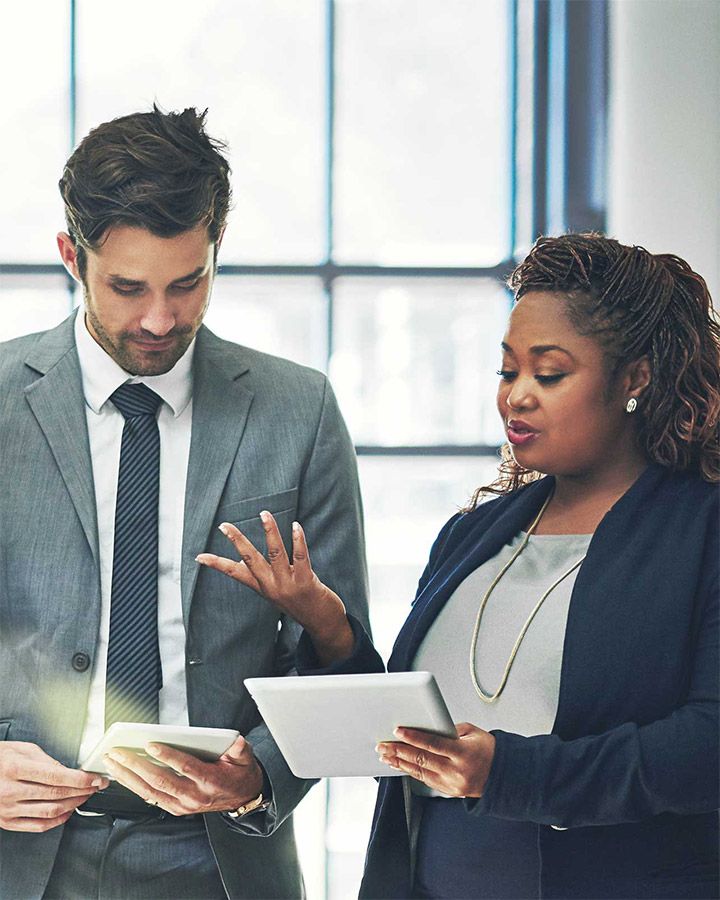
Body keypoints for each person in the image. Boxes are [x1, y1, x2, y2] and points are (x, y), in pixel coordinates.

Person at [199, 233, 720, 899]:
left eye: (549, 374)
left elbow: (707, 747)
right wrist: (326, 625)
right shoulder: (474, 534)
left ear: (634, 379)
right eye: (508, 373)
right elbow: (402, 735)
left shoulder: (701, 529)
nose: (517, 398)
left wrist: (505, 771)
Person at [0, 106, 370, 900]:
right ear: (73, 256)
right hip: (18, 855)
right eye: (127, 288)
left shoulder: (297, 411)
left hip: (222, 861)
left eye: (188, 282)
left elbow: (344, 658)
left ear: (215, 252)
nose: (160, 320)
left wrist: (261, 773)